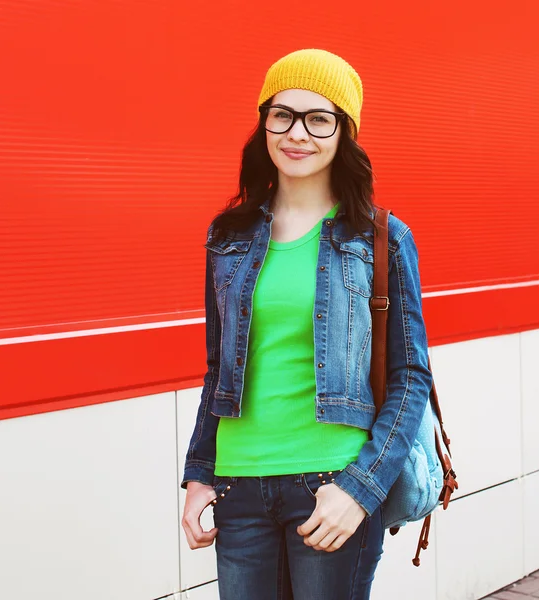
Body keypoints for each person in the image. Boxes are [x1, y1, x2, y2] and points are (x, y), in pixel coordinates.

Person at [181, 48, 432, 600]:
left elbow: (412, 378)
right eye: (283, 115)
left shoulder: (379, 239)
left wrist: (359, 489)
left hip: (330, 485)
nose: (298, 133)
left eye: (319, 119)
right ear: (264, 124)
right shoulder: (229, 237)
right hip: (238, 487)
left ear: (345, 133)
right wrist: (200, 472)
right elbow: (217, 366)